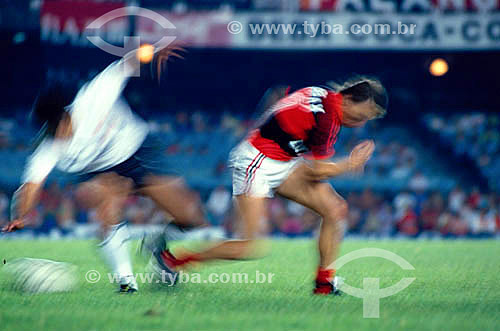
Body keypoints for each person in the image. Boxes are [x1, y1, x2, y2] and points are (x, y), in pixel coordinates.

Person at [149, 77, 388, 295]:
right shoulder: (326, 118)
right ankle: (171, 261)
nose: (361, 122)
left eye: (368, 118)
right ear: (347, 99)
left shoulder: (324, 95)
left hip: (282, 159)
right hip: (256, 162)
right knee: (249, 247)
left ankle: (324, 284)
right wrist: (350, 164)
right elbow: (317, 171)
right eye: (362, 115)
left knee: (335, 209)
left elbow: (283, 110)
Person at [1, 46, 206, 293]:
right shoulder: (49, 145)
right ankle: (126, 283)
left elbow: (127, 64)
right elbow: (31, 186)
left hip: (137, 153)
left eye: (58, 126)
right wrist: (20, 216)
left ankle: (156, 244)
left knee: (191, 217)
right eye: (51, 130)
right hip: (99, 173)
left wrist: (151, 52)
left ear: (68, 112)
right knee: (104, 198)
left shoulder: (96, 94)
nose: (58, 135)